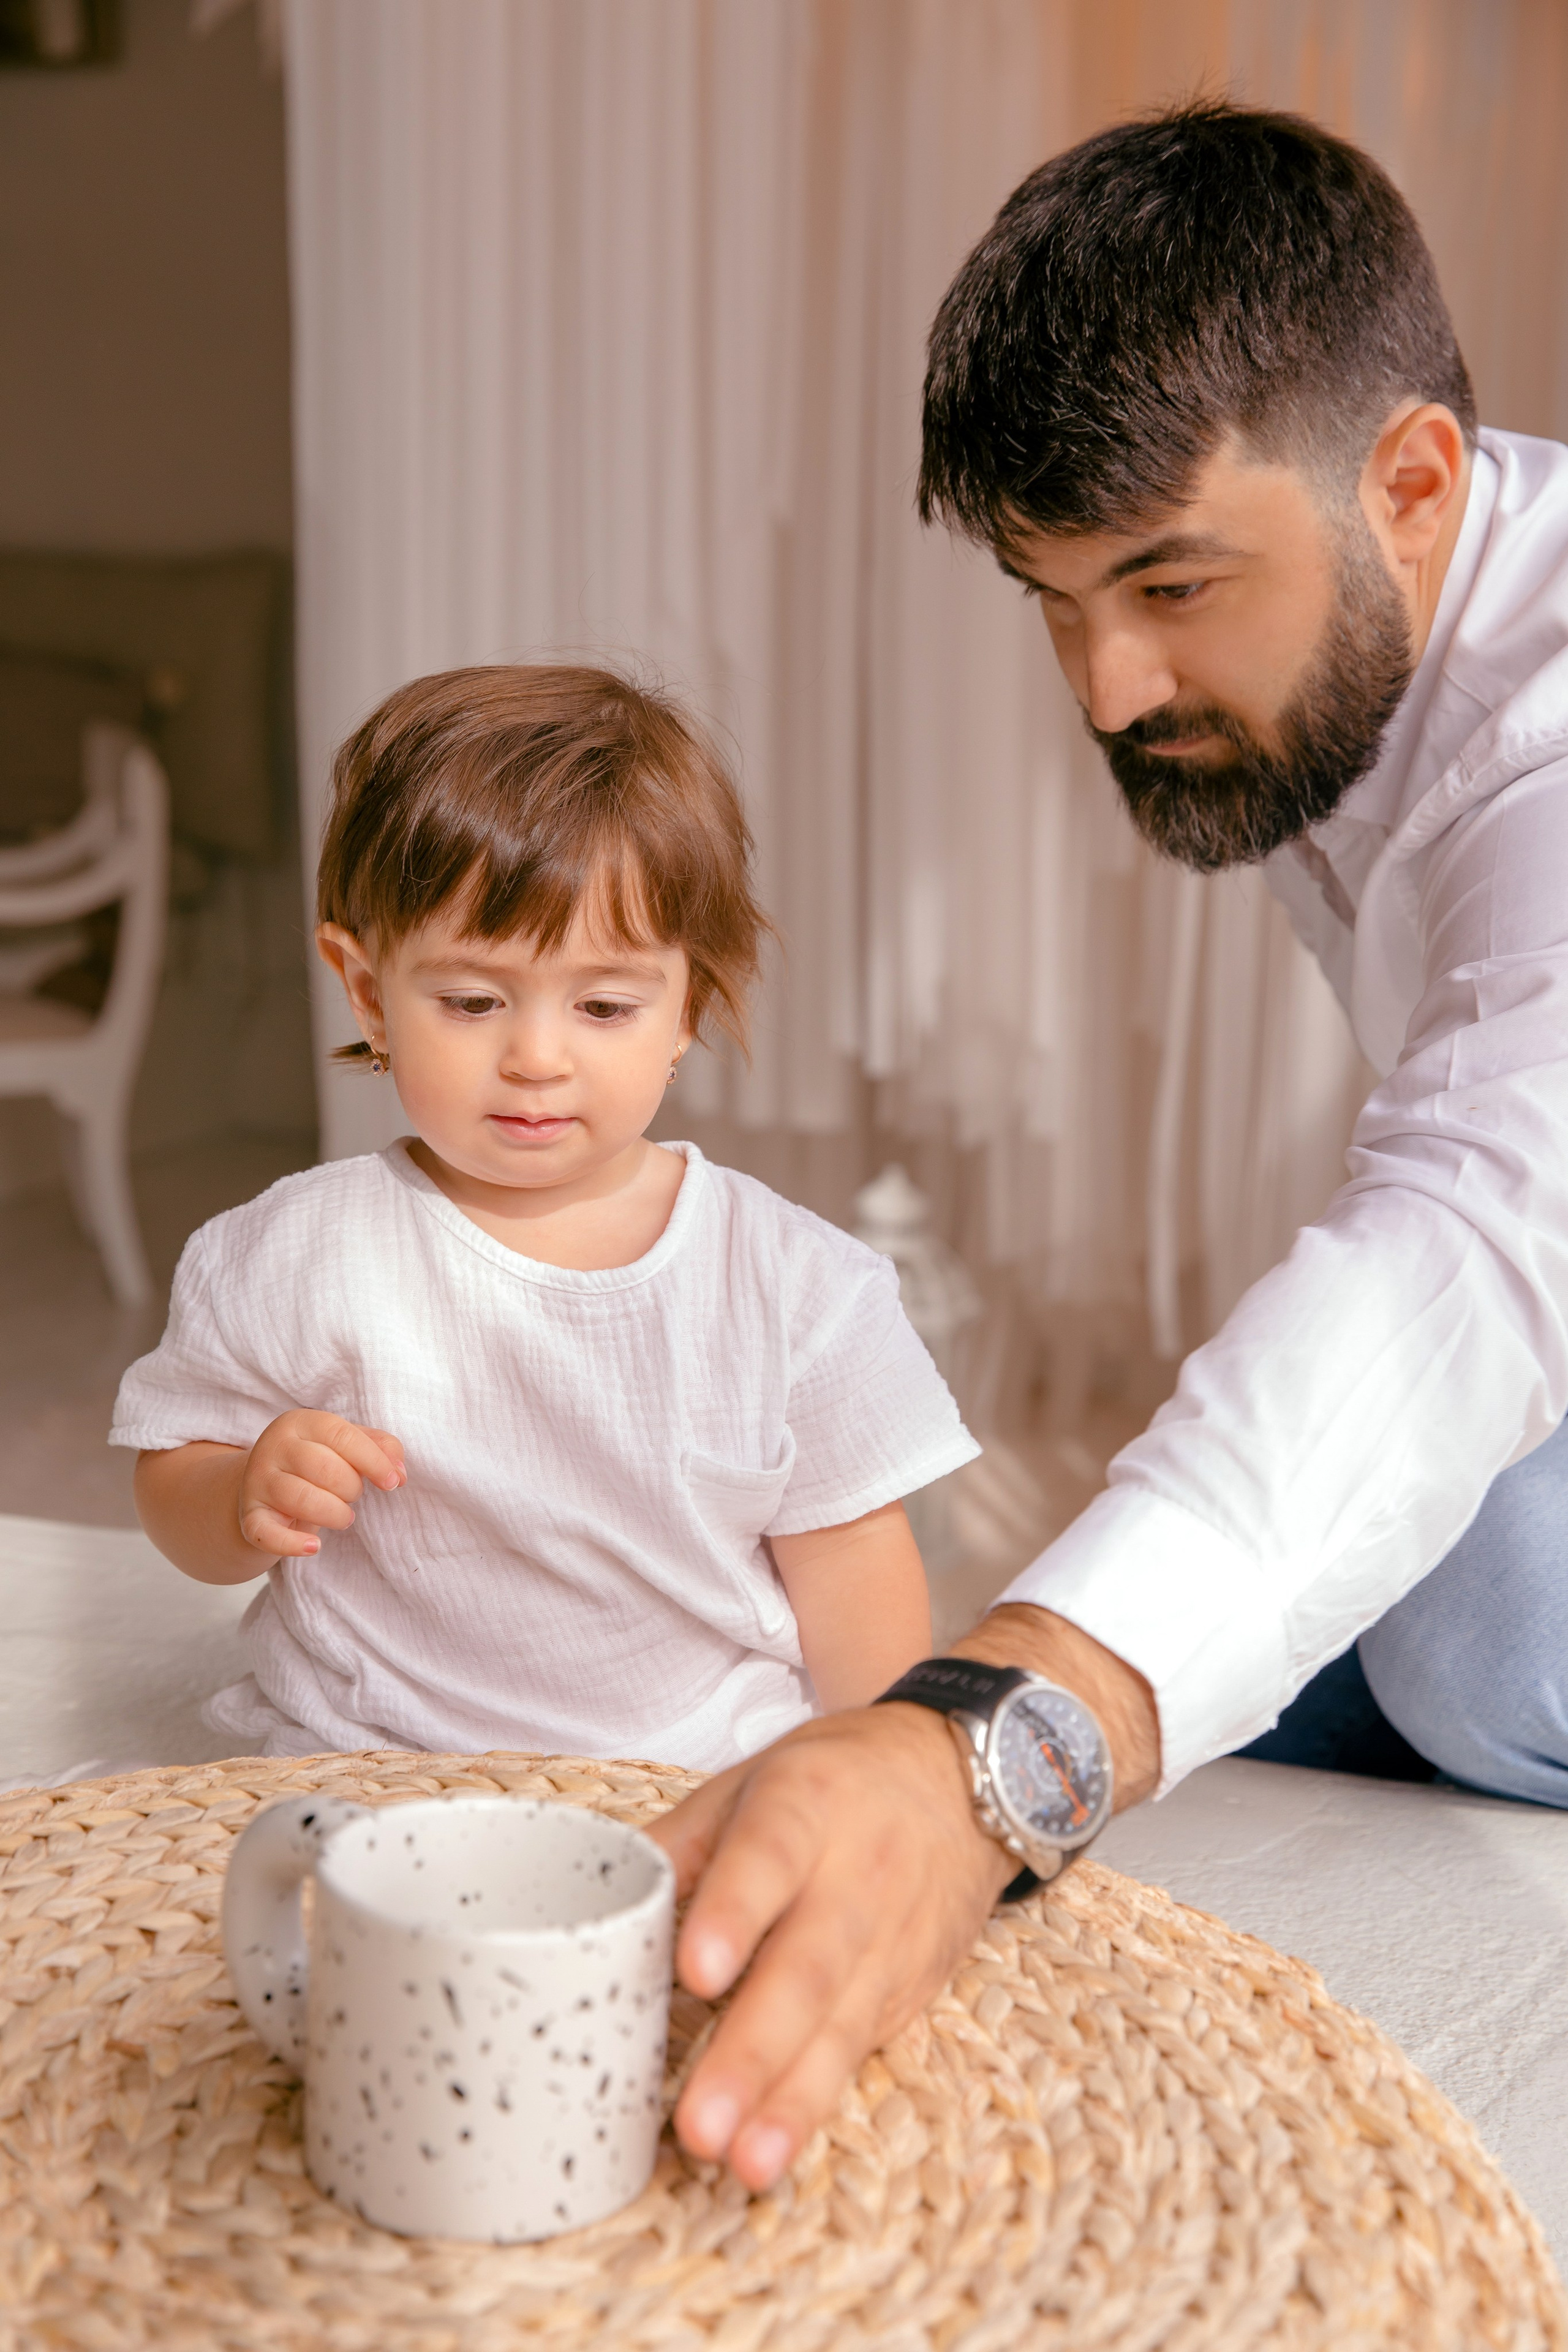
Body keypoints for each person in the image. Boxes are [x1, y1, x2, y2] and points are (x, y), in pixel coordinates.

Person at [649, 97, 1568, 2195]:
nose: (1106, 683)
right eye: (1052, 596)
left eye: (1168, 584)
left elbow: (1473, 1247)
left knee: (1464, 1606)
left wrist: (996, 1752)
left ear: (1410, 480)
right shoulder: (1354, 634)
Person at [113, 664, 978, 1768]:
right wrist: (241, 1493)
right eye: (472, 1001)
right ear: (369, 990)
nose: (535, 1057)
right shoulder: (295, 1252)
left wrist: (884, 1781)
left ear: (687, 1010)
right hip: (365, 1756)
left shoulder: (795, 1288)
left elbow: (857, 1575)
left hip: (690, 1772)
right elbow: (173, 1474)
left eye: (606, 1006)